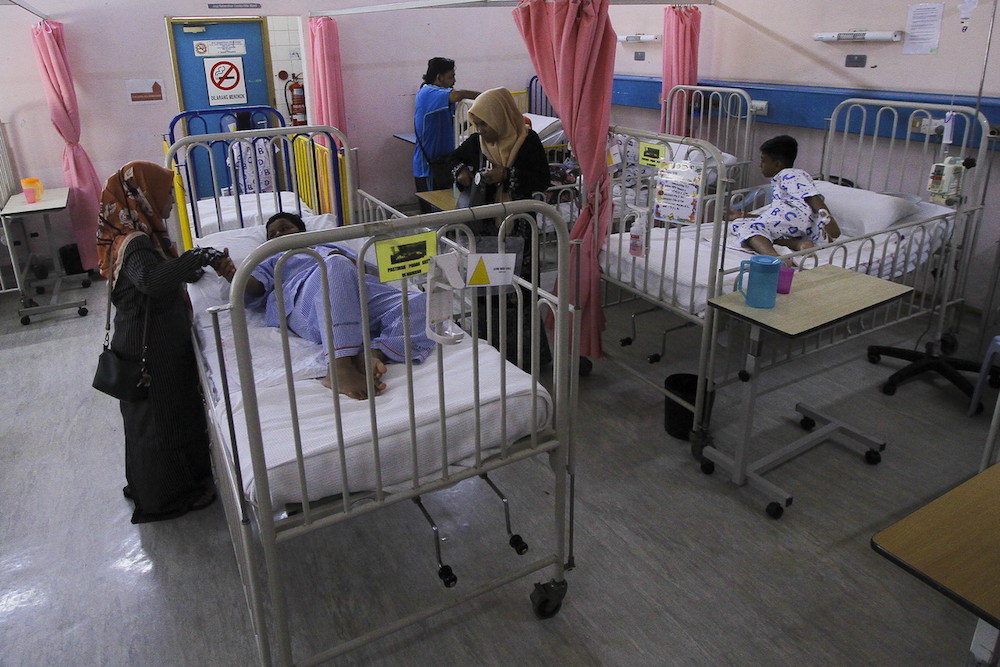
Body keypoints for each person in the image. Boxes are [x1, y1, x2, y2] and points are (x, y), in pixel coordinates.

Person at [96, 161, 230, 523]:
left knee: (151, 421)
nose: (171, 201)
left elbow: (157, 278)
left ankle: (147, 484)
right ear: (144, 196)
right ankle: (167, 499)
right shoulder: (137, 242)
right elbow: (151, 281)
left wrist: (187, 266)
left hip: (146, 341)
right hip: (150, 348)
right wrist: (196, 257)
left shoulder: (135, 235)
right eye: (167, 193)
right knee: (162, 423)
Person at [221, 212, 435, 400]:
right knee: (334, 265)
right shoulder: (272, 259)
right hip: (307, 300)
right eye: (272, 234)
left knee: (421, 302)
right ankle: (339, 366)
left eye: (285, 228)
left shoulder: (331, 244)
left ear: (302, 231)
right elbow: (255, 286)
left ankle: (376, 352)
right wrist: (234, 274)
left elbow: (369, 271)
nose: (278, 235)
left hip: (360, 290)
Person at [448, 87, 553, 366]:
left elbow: (541, 180)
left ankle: (528, 358)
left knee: (519, 293)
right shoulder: (477, 143)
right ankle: (490, 354)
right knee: (487, 290)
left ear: (501, 117)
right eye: (477, 124)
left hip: (519, 228)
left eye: (485, 123)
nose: (480, 130)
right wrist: (463, 172)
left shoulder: (527, 142)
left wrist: (506, 175)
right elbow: (455, 158)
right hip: (487, 230)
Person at [729, 135, 841, 265]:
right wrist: (744, 215)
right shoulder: (784, 180)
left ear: (777, 164)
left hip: (796, 221)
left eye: (763, 161)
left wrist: (827, 218)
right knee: (740, 223)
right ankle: (798, 244)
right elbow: (776, 217)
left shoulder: (790, 174)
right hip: (796, 225)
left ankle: (775, 258)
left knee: (748, 228)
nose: (760, 165)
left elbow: (811, 195)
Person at [413, 57, 480, 208]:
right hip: (428, 168)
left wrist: (474, 119)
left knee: (446, 209)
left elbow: (453, 128)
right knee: (433, 216)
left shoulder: (442, 101)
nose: (454, 81)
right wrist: (486, 97)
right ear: (439, 77)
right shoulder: (428, 92)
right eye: (451, 77)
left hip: (443, 164)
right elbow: (459, 95)